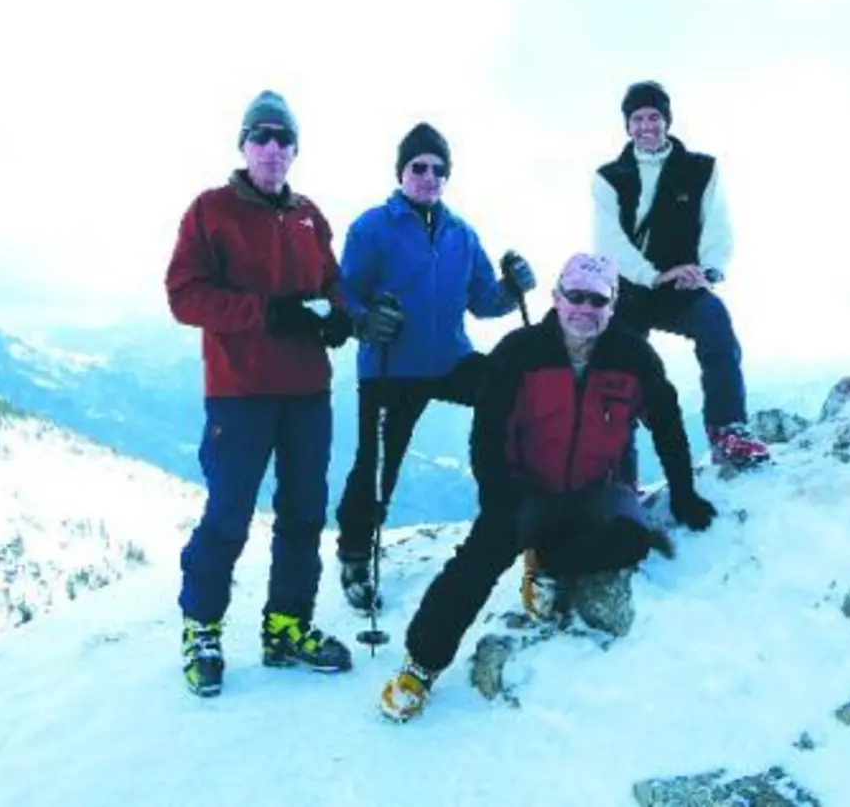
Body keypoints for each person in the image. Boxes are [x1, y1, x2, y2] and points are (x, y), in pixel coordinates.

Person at [378, 253, 718, 723]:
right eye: (575, 296)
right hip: (525, 489)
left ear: (612, 306)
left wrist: (683, 492)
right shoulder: (519, 352)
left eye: (597, 300)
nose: (585, 308)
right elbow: (488, 432)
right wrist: (497, 496)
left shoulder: (632, 357)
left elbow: (666, 423)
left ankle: (547, 559)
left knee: (633, 540)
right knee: (476, 564)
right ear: (556, 299)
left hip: (595, 488)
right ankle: (421, 665)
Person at [164, 90, 357, 698]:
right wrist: (265, 314)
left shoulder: (308, 214)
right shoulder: (210, 210)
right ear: (243, 146)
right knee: (228, 515)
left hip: (307, 392)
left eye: (283, 138)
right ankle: (202, 629)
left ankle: (286, 626)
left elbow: (332, 282)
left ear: (295, 150)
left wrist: (340, 317)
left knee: (303, 513)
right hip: (240, 392)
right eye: (261, 137)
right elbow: (184, 295)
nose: (272, 148)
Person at [334, 121, 536, 614]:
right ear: (401, 172)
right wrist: (364, 319)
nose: (428, 176)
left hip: (450, 359)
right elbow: (343, 292)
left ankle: (508, 507)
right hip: (389, 367)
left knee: (512, 391)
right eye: (418, 167)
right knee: (377, 466)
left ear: (448, 176)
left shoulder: (461, 235)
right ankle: (355, 555)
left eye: (438, 169)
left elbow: (484, 301)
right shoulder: (371, 227)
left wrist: (514, 288)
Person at [591, 80, 770, 478]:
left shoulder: (701, 169)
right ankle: (618, 469)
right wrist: (652, 276)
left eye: (654, 116)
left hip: (683, 284)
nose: (646, 126)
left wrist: (707, 272)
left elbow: (717, 226)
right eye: (637, 118)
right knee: (618, 367)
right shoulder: (608, 177)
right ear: (627, 126)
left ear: (667, 120)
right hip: (630, 290)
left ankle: (727, 431)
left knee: (716, 327)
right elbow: (609, 243)